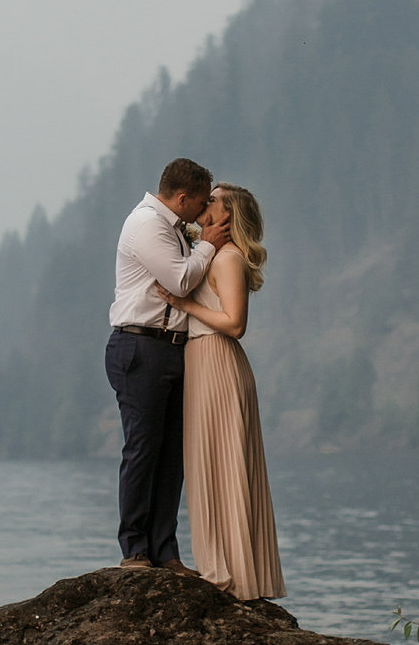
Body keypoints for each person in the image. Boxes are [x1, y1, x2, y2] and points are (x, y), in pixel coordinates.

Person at [155, 184, 286, 600]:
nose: (202, 201)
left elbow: (235, 324)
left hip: (218, 360)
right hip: (201, 360)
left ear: (228, 216)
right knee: (207, 464)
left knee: (223, 463)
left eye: (211, 199)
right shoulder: (210, 252)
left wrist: (184, 304)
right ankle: (223, 567)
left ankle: (232, 575)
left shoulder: (229, 259)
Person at [106, 159, 230, 570]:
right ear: (181, 198)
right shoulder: (147, 225)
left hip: (171, 347)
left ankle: (165, 550)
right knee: (142, 449)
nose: (201, 212)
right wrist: (208, 244)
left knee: (171, 453)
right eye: (198, 203)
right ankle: (135, 549)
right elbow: (179, 280)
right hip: (140, 345)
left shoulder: (173, 228)